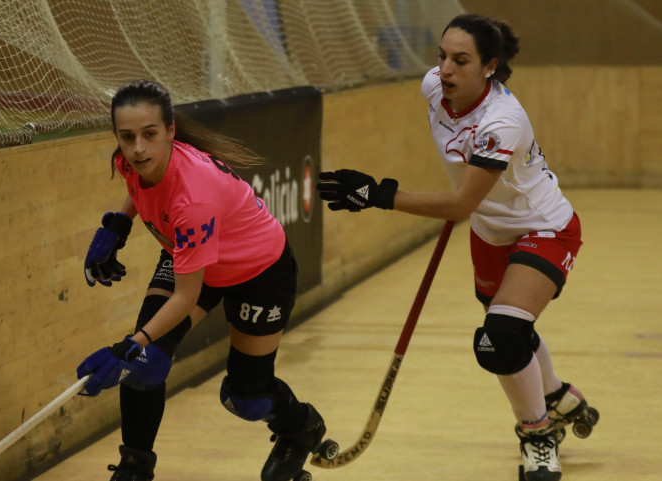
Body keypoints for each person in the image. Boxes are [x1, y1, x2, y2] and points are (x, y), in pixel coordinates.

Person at [317, 13, 597, 481]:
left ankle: (538, 434)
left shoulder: (503, 121)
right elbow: (471, 202)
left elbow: (459, 202)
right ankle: (559, 397)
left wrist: (377, 194)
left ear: (489, 66)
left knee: (499, 339)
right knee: (512, 329)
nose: (444, 69)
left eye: (460, 60)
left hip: (543, 226)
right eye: (442, 57)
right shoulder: (435, 87)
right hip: (491, 230)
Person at [76, 79, 331, 481]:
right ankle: (134, 467)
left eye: (149, 135)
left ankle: (301, 428)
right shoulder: (129, 158)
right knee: (147, 365)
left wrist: (129, 345)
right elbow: (139, 187)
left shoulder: (192, 197)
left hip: (258, 270)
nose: (138, 147)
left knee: (245, 398)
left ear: (171, 131)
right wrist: (119, 223)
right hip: (193, 257)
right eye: (126, 137)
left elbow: (185, 295)